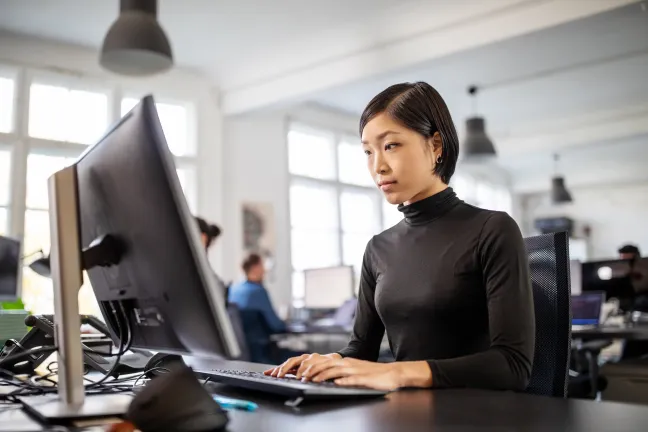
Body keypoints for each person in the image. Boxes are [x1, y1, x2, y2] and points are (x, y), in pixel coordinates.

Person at [265, 82, 535, 391]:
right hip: (405, 413)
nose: (378, 166)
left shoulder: (492, 229)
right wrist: (327, 362)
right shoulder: (378, 248)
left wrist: (398, 372)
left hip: (477, 415)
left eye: (390, 145)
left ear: (435, 146)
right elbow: (362, 350)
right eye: (368, 151)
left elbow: (513, 366)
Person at [228, 253, 289, 363]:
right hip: (261, 354)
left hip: (241, 352)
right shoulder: (258, 291)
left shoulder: (233, 289)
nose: (265, 270)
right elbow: (276, 326)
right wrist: (286, 323)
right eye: (262, 266)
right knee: (306, 355)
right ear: (255, 268)